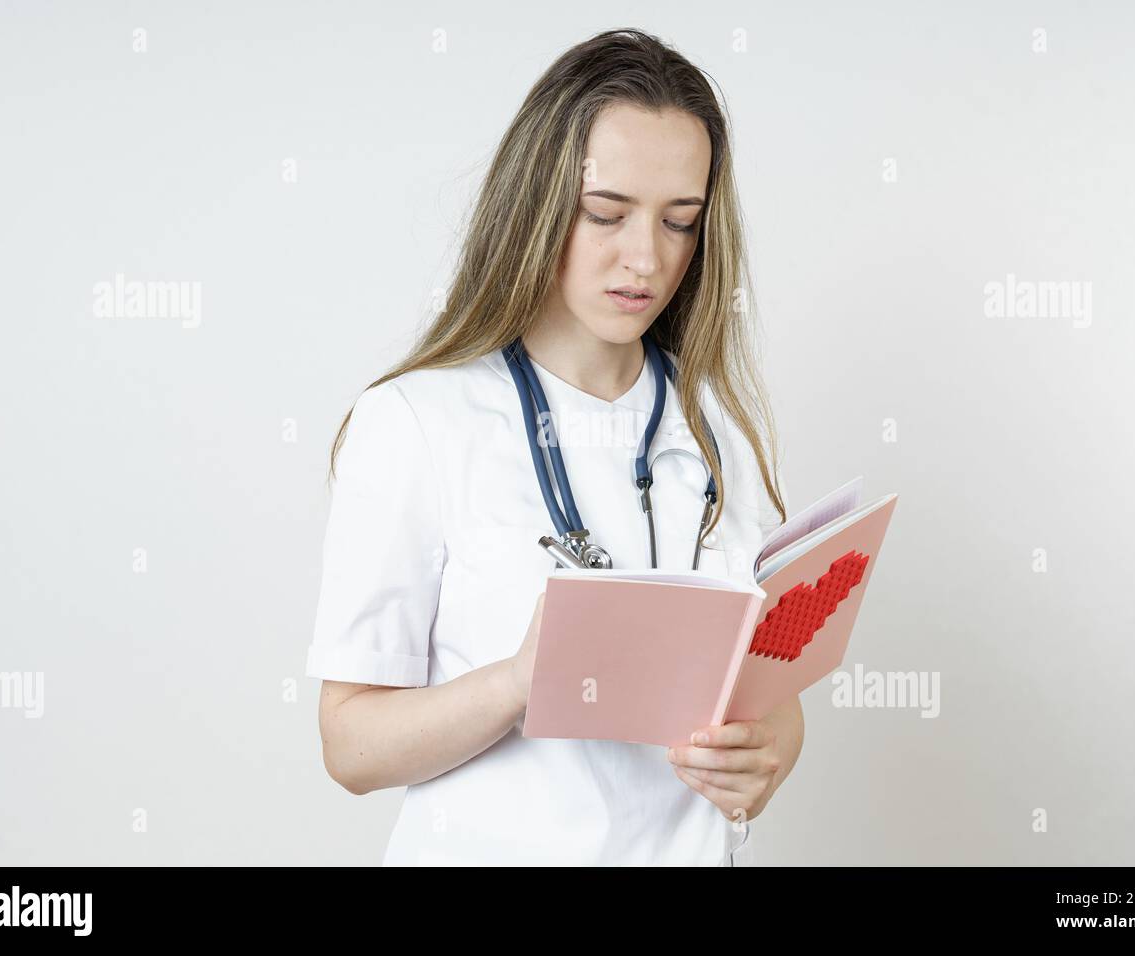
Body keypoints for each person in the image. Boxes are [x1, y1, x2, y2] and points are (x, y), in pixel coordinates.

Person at [305, 27, 804, 866]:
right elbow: (350, 747)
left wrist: (773, 748)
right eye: (605, 214)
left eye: (680, 222)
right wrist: (513, 683)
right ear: (537, 205)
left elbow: (765, 691)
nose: (645, 257)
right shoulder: (417, 422)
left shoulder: (716, 424)